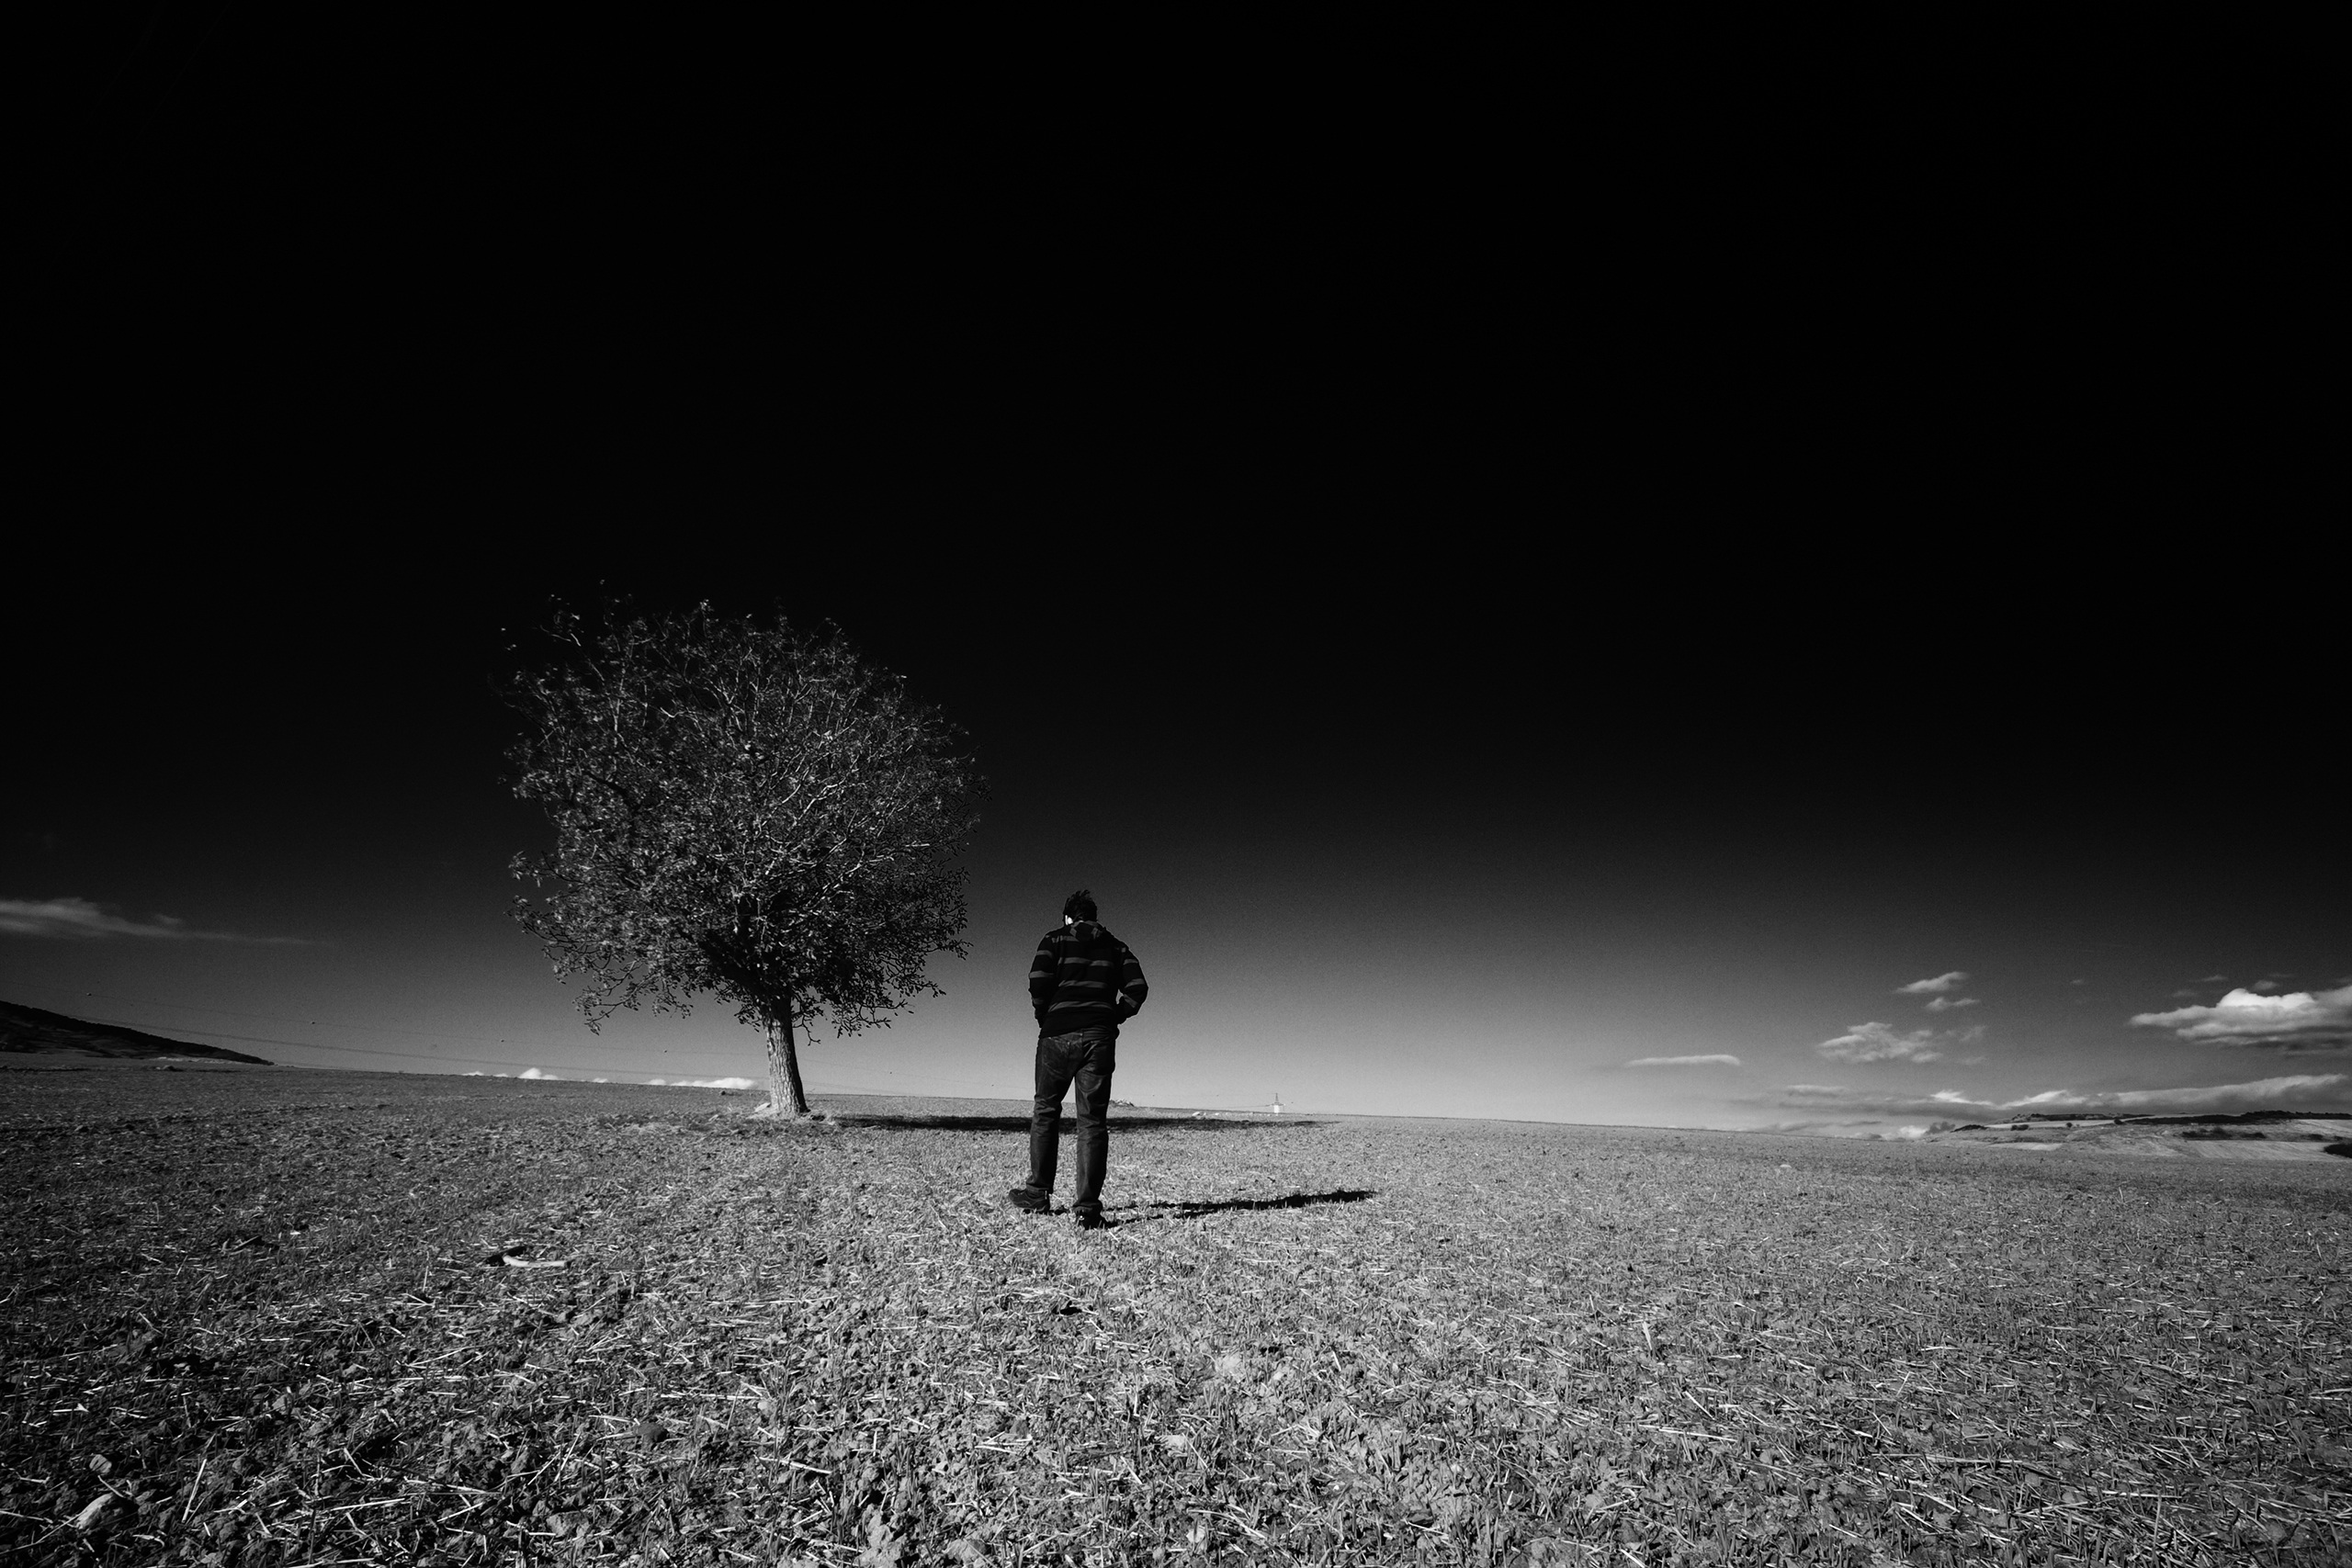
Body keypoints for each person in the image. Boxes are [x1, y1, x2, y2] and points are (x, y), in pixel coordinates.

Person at [1009, 889, 1147, 1229]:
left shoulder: (1054, 939)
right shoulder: (1117, 947)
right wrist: (1114, 1016)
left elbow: (1038, 980)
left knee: (1046, 1111)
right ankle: (1087, 1209)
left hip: (1057, 1034)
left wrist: (1046, 1016)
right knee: (1092, 1122)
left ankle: (1038, 1193)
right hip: (1098, 1038)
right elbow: (1138, 987)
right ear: (1094, 917)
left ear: (1068, 917)